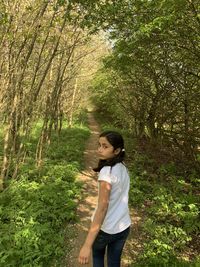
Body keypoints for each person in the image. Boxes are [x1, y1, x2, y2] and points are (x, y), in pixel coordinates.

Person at [78, 130, 131, 267]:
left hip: (105, 229)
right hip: (123, 226)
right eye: (99, 145)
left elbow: (102, 208)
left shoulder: (107, 172)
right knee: (114, 263)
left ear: (117, 150)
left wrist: (86, 245)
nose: (100, 149)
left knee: (97, 257)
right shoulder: (123, 167)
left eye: (105, 146)